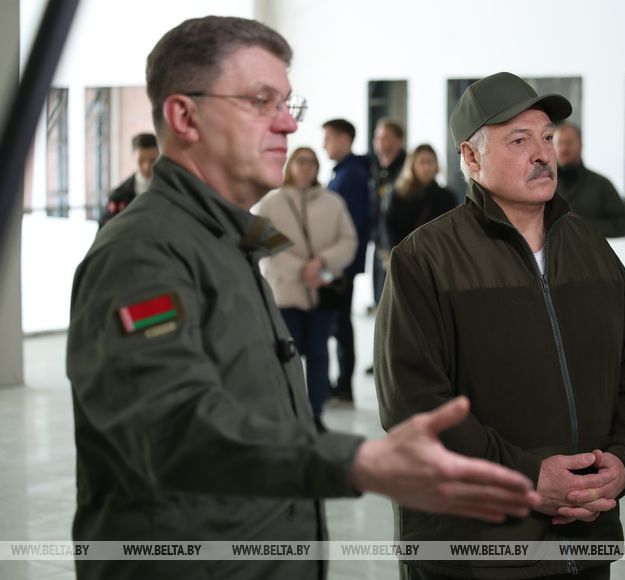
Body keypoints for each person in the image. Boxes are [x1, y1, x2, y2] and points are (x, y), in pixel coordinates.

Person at [66, 20, 540, 580]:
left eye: (289, 103)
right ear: (185, 117)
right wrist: (356, 461)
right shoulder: (144, 254)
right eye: (260, 101)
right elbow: (171, 428)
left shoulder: (222, 239)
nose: (289, 123)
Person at [375, 72, 625, 579]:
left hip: (584, 542)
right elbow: (414, 409)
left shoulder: (592, 249)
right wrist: (527, 477)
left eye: (547, 137)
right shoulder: (423, 261)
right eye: (519, 140)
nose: (542, 154)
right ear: (471, 158)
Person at [253, 147, 357, 433]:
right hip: (285, 293)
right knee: (288, 357)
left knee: (319, 354)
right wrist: (301, 269)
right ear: (290, 165)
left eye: (312, 162)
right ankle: (289, 413)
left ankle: (315, 414)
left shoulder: (333, 202)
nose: (307, 166)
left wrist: (322, 263)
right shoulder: (270, 202)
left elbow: (348, 240)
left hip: (322, 291)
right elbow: (261, 243)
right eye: (301, 161)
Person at [322, 118, 369, 403]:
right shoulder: (343, 172)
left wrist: (338, 262)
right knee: (337, 323)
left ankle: (343, 386)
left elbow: (350, 225)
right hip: (338, 263)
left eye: (327, 138)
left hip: (340, 265)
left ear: (343, 140)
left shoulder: (352, 175)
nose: (323, 145)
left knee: (339, 323)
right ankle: (340, 384)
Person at [553, 123, 625, 237]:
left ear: (580, 145)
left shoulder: (602, 185)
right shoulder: (543, 184)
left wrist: (582, 227)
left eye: (569, 142)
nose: (564, 148)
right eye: (559, 143)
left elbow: (622, 225)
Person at [383, 144, 456, 251]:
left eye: (430, 162)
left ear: (436, 165)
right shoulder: (399, 195)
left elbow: (450, 232)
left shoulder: (446, 197)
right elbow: (390, 229)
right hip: (404, 255)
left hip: (435, 255)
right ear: (412, 165)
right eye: (422, 162)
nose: (426, 168)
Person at [369, 118, 407, 306]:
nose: (379, 142)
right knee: (381, 301)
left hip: (403, 248)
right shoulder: (374, 169)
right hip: (379, 247)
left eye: (384, 137)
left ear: (399, 140)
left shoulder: (408, 170)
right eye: (377, 137)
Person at [97, 133, 159, 227]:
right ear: (133, 157)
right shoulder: (119, 196)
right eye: (141, 160)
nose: (146, 167)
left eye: (152, 160)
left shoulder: (172, 188)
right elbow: (105, 228)